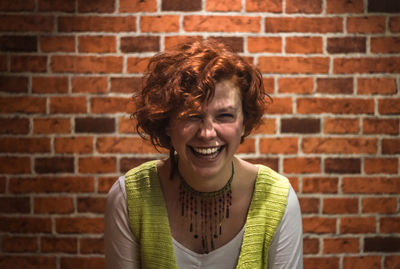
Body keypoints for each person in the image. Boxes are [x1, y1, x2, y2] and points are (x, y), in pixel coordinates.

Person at [105, 40, 303, 268]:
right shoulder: (129, 198)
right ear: (167, 122)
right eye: (191, 115)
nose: (207, 133)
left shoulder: (278, 199)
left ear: (244, 123)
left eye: (225, 116)